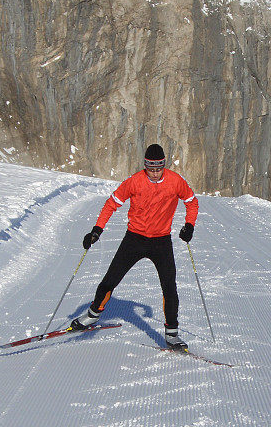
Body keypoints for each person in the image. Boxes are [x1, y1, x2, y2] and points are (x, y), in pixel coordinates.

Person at [71, 143, 199, 350]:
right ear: (145, 166)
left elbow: (192, 202)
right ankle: (93, 315)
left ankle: (172, 334)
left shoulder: (176, 181)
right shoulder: (134, 181)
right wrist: (97, 229)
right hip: (134, 239)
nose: (156, 173)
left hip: (161, 241)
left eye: (159, 168)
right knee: (109, 280)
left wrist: (189, 226)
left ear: (164, 166)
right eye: (151, 168)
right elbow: (111, 203)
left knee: (169, 287)